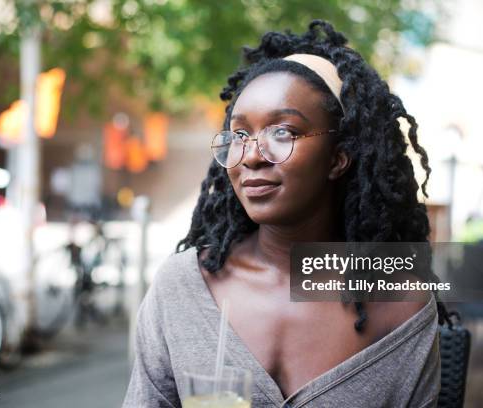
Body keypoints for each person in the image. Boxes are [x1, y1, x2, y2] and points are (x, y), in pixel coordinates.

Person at [123, 20, 449, 407]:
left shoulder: (400, 307)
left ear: (338, 158)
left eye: (283, 132)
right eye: (239, 135)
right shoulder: (183, 289)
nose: (253, 155)